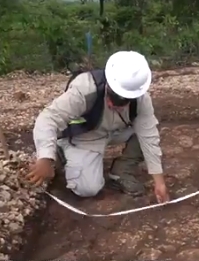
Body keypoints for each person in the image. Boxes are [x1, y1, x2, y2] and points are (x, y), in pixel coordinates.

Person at [26, 50, 169, 203]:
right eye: (115, 97)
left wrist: (159, 182)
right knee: (88, 189)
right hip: (86, 135)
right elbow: (47, 118)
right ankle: (61, 149)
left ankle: (122, 170)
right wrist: (45, 158)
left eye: (125, 100)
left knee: (149, 128)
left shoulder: (140, 98)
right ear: (109, 83)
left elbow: (149, 136)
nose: (117, 105)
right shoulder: (85, 89)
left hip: (114, 131)